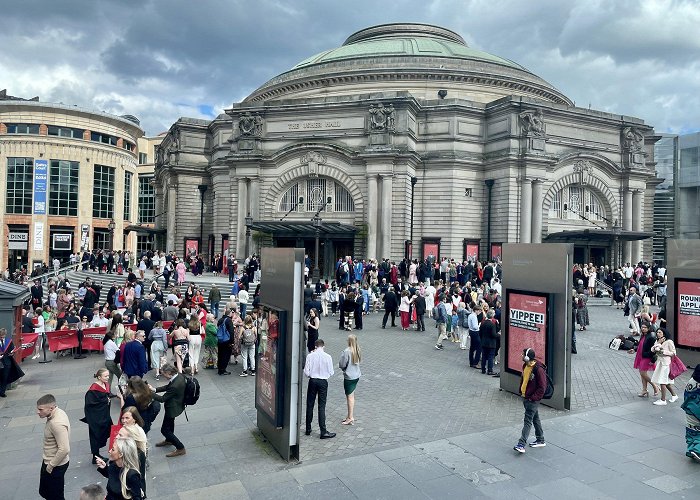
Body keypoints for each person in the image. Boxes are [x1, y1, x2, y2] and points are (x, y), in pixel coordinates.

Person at [82, 369, 120, 464]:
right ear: (99, 377)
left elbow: (107, 395)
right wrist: (105, 401)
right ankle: (95, 456)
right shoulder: (93, 390)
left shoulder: (105, 385)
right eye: (105, 376)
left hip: (105, 415)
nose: (107, 378)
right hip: (96, 418)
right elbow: (90, 405)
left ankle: (101, 454)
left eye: (108, 376)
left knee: (107, 431)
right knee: (95, 436)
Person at [37, 394, 71, 500]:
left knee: (55, 496)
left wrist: (51, 466)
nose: (38, 412)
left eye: (40, 409)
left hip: (55, 465)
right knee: (45, 492)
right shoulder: (57, 412)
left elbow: (64, 449)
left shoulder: (56, 423)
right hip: (49, 461)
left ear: (51, 408)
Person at [513, 348, 547, 453]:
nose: (521, 355)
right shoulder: (525, 366)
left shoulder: (538, 369)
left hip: (532, 400)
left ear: (527, 357)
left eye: (522, 354)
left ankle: (521, 444)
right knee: (535, 419)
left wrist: (533, 398)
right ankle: (540, 439)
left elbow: (542, 387)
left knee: (527, 421)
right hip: (526, 397)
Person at [149, 363, 186, 457]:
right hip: (176, 405)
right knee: (170, 424)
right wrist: (155, 389)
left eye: (163, 374)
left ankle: (180, 447)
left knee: (164, 430)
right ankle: (169, 440)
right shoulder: (179, 376)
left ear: (169, 372)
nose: (163, 375)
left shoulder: (175, 385)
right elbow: (168, 387)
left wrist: (149, 393)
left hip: (172, 408)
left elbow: (162, 399)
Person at [304, 339, 336, 439]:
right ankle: (323, 430)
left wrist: (311, 375)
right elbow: (331, 372)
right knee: (321, 406)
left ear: (315, 346)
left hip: (312, 381)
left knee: (310, 404)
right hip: (323, 382)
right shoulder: (328, 357)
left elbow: (306, 372)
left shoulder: (310, 356)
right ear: (323, 346)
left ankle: (308, 428)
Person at [630, 322, 659, 398]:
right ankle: (644, 390)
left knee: (643, 373)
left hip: (647, 357)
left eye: (645, 327)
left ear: (649, 328)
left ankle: (654, 386)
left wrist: (652, 358)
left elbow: (655, 349)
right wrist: (634, 349)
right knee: (642, 374)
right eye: (642, 327)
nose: (643, 328)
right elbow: (640, 345)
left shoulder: (651, 336)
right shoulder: (643, 335)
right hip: (640, 355)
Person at [650, 328, 678, 405]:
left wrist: (663, 351)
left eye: (660, 332)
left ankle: (663, 400)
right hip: (660, 363)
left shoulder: (669, 342)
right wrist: (658, 343)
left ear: (664, 333)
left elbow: (673, 353)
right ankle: (674, 395)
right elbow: (652, 350)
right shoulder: (658, 340)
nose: (658, 334)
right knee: (666, 382)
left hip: (666, 364)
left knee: (662, 381)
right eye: (657, 332)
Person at [339, 334, 361, 426]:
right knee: (352, 395)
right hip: (356, 375)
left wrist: (344, 369)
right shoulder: (357, 349)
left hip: (349, 376)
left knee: (349, 397)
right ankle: (349, 416)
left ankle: (350, 417)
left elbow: (342, 364)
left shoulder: (347, 351)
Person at [682, 364, 700, 461]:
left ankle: (691, 449)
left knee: (692, 429)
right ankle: (697, 449)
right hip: (697, 411)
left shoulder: (691, 381)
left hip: (689, 409)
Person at [0, 327, 24, 397]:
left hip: (7, 362)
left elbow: (12, 350)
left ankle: (2, 392)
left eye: (3, 337)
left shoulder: (9, 341)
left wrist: (12, 353)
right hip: (0, 361)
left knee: (5, 377)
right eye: (0, 337)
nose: (2, 338)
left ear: (5, 335)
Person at [479, 309, 499, 375]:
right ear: (492, 316)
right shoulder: (492, 324)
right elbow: (493, 334)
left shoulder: (483, 323)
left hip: (484, 342)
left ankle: (483, 369)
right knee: (490, 356)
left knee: (484, 356)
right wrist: (498, 335)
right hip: (491, 343)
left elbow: (480, 332)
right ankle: (490, 370)